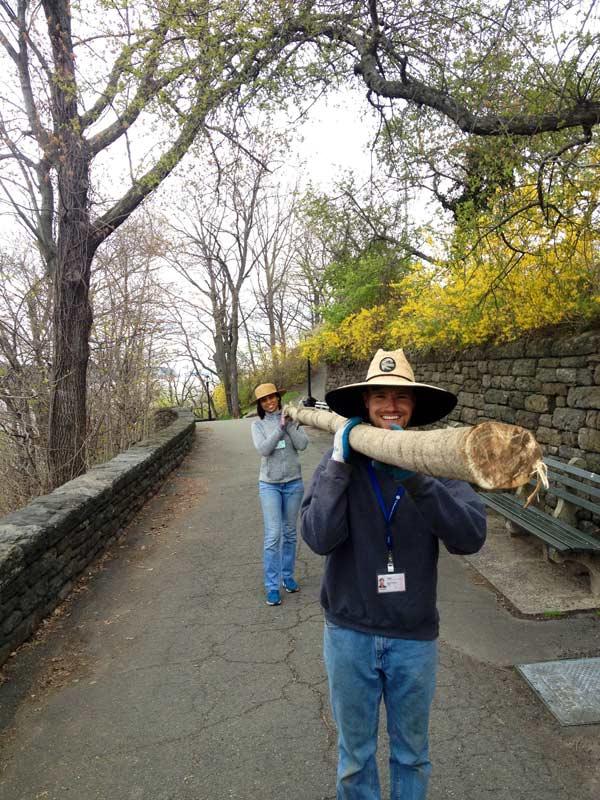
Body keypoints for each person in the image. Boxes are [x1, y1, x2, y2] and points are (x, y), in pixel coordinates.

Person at [300, 348, 486, 800]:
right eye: (380, 396)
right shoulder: (339, 461)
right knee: (355, 759)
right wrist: (340, 466)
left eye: (401, 397)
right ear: (365, 404)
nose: (391, 406)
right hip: (349, 632)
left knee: (411, 756)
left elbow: (470, 537)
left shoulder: (434, 461)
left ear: (414, 406)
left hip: (412, 636)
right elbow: (318, 537)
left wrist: (416, 480)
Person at [252, 382, 309, 606]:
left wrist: (290, 424)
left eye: (272, 397)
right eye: (264, 400)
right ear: (260, 404)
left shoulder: (291, 418)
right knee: (273, 535)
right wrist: (279, 428)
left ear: (278, 397)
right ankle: (272, 586)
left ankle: (287, 577)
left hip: (293, 483)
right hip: (270, 485)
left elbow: (303, 445)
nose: (269, 402)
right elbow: (264, 450)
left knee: (290, 533)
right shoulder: (257, 425)